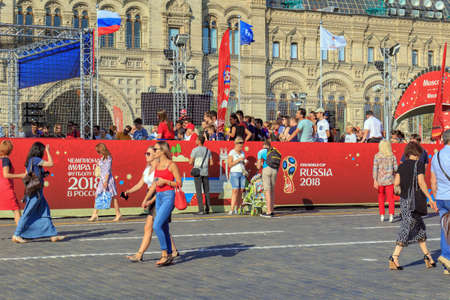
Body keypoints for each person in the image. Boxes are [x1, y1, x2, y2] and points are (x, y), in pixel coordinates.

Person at [124, 146, 178, 262]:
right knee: (161, 226)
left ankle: (142, 254)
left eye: (148, 153)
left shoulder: (165, 166)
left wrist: (150, 200)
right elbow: (141, 184)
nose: (146, 156)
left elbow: (167, 184)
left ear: (156, 154)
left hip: (159, 196)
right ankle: (172, 251)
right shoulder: (149, 169)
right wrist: (129, 191)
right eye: (146, 153)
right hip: (153, 196)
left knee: (153, 226)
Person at [389, 142, 438, 270]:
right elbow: (421, 182)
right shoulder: (419, 165)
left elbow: (396, 183)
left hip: (405, 201)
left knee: (420, 229)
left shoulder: (402, 165)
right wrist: (430, 198)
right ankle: (394, 257)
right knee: (407, 227)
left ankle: (428, 257)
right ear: (416, 153)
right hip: (415, 202)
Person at [12, 142, 65, 243]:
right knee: (27, 213)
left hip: (37, 191)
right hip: (35, 192)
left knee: (45, 211)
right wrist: (49, 151)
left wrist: (42, 174)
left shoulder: (29, 161)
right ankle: (17, 234)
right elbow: (51, 163)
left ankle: (53, 235)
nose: (43, 153)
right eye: (43, 151)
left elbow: (28, 174)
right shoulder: (36, 160)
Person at [144, 141, 182, 267]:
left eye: (155, 149)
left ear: (162, 151)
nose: (153, 152)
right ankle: (170, 254)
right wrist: (147, 199)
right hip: (159, 197)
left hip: (168, 196)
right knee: (164, 227)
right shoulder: (158, 165)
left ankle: (164, 254)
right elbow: (155, 184)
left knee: (156, 225)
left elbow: (179, 183)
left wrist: (165, 181)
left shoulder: (171, 165)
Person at [430, 129, 450, 275]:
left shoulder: (436, 156)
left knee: (445, 229)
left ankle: (446, 261)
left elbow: (433, 180)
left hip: (441, 197)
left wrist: (435, 197)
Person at [88, 143, 122, 222]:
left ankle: (118, 213)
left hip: (108, 180)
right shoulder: (103, 158)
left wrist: (106, 182)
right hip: (102, 180)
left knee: (113, 197)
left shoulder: (108, 158)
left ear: (102, 150)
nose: (98, 153)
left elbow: (107, 171)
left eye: (98, 151)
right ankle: (95, 214)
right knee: (98, 195)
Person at [0, 140, 26, 225]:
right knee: (16, 209)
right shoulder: (6, 160)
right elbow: (6, 175)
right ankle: (19, 233)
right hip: (5, 188)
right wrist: (21, 175)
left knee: (15, 209)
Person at [373, 140, 398, 222]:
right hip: (390, 180)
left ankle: (382, 215)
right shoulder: (392, 156)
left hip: (380, 181)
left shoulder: (377, 156)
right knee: (391, 198)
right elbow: (396, 169)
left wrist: (375, 180)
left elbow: (375, 169)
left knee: (381, 198)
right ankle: (391, 214)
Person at [190, 136, 213, 214]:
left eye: (196, 140)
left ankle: (201, 210)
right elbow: (211, 163)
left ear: (199, 141)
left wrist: (195, 164)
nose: (195, 141)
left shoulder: (194, 150)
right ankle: (207, 209)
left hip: (197, 172)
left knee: (199, 191)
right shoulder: (208, 150)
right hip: (205, 172)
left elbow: (190, 162)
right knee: (206, 191)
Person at [257, 140, 278, 218]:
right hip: (274, 170)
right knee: (272, 191)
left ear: (264, 145)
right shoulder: (274, 151)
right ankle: (272, 210)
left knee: (267, 191)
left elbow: (258, 166)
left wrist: (258, 164)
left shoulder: (261, 152)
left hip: (266, 170)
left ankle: (268, 212)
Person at [228, 137, 247, 215]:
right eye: (239, 144)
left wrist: (245, 162)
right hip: (234, 173)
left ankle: (238, 208)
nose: (241, 145)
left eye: (242, 144)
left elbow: (243, 163)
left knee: (241, 191)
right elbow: (230, 164)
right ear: (235, 144)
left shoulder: (242, 153)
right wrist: (238, 160)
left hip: (242, 173)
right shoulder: (232, 152)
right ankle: (232, 209)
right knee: (235, 190)